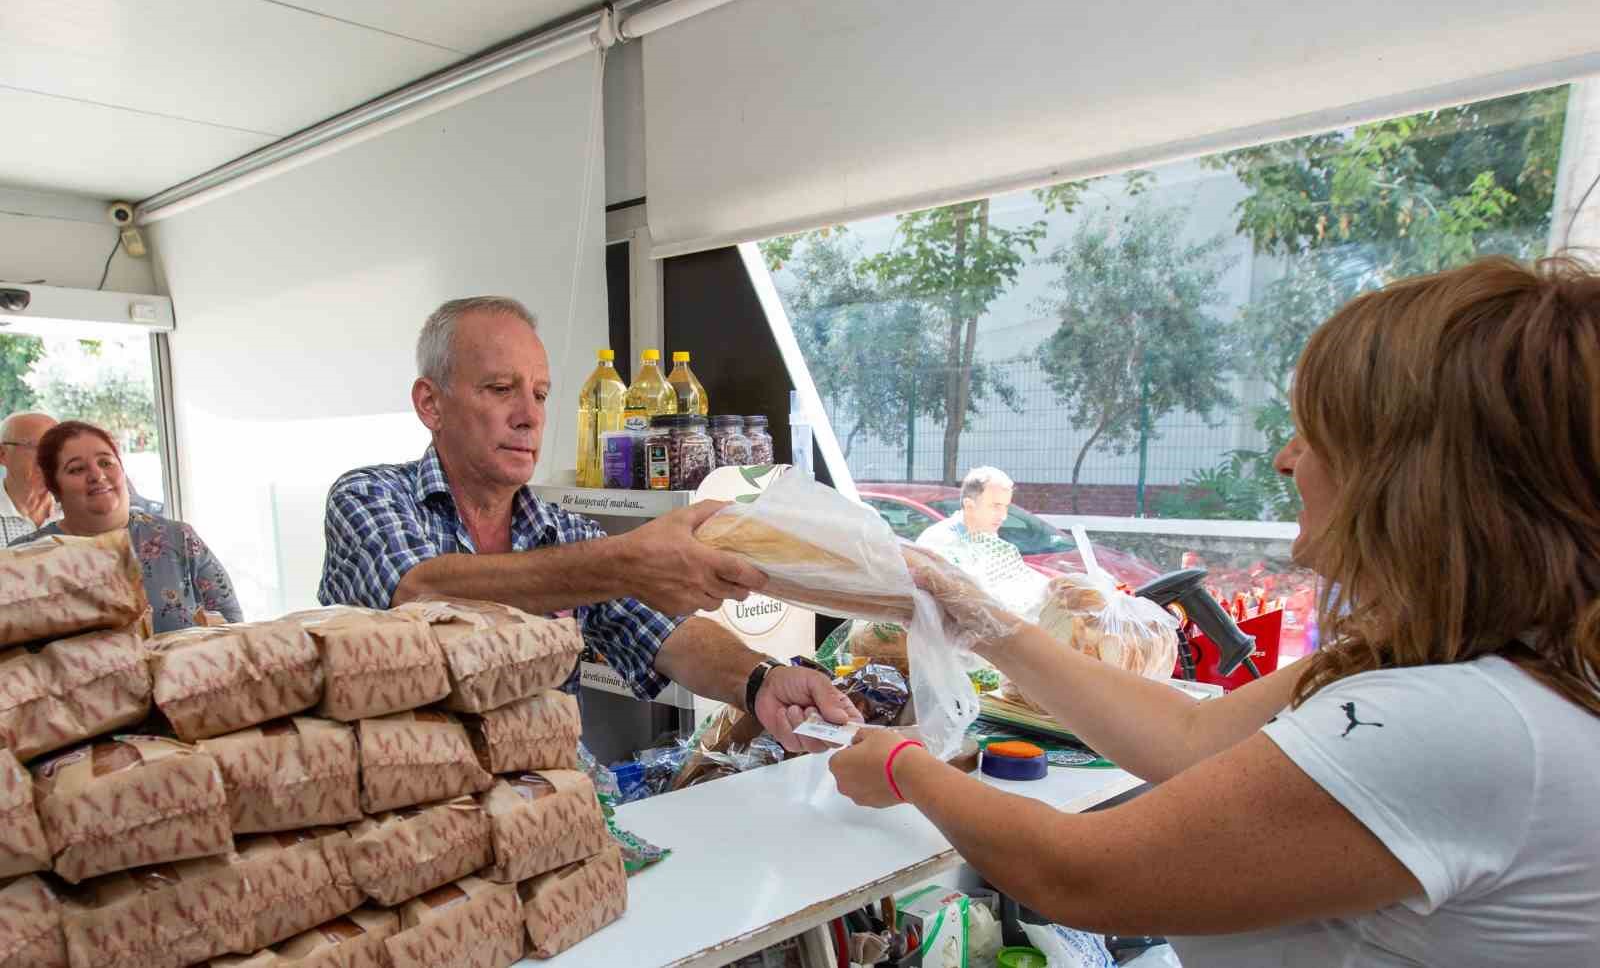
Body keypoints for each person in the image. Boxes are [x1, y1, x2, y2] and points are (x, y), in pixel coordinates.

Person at [830, 257, 1600, 965]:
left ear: (1412, 474)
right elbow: (1188, 738)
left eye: (1319, 432)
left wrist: (907, 771)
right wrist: (967, 609)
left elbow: (1075, 873)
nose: (1285, 458)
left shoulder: (1463, 720)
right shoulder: (1463, 658)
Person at [319, 297, 858, 752]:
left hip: (546, 811)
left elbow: (669, 635)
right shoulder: (368, 497)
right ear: (431, 404)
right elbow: (421, 591)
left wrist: (762, 679)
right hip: (411, 819)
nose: (529, 416)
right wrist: (627, 561)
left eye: (539, 393)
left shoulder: (565, 534)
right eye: (501, 389)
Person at [10, 420, 243, 632]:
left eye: (105, 462)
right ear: (54, 488)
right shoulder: (23, 558)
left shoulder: (179, 539)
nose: (97, 475)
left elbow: (234, 627)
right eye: (77, 469)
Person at [915, 466, 1045, 614]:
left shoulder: (987, 539)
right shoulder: (940, 542)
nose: (1003, 516)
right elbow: (954, 604)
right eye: (996, 506)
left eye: (1005, 507)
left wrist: (1050, 589)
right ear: (969, 506)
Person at [0, 411, 61, 543]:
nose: (49, 456)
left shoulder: (76, 510)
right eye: (37, 446)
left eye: (56, 448)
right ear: (2, 454)